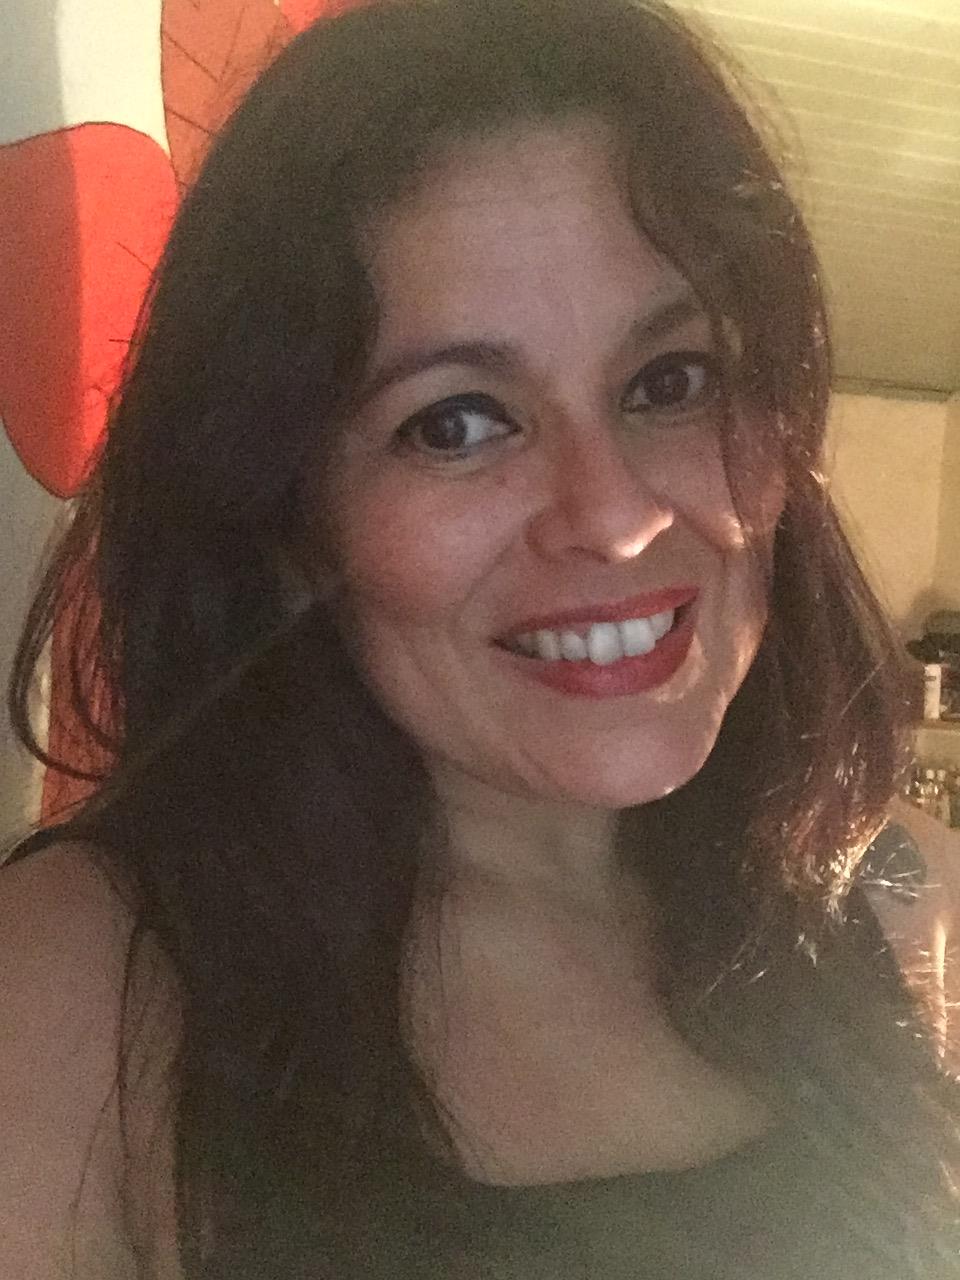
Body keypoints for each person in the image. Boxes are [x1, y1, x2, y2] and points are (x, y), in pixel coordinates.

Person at [2, 0, 959, 1275]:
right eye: (456, 422)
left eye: (670, 381)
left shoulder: (903, 896)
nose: (614, 518)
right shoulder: (84, 980)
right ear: (286, 516)